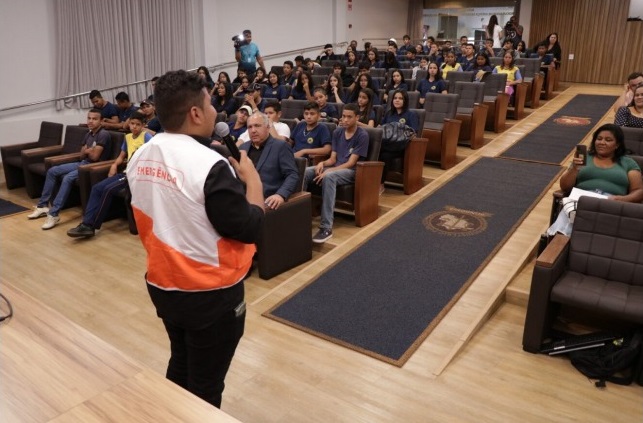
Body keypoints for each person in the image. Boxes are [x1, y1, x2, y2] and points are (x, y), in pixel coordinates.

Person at [126, 69, 264, 409]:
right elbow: (249, 227)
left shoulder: (141, 154)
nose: (216, 110)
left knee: (181, 362)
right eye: (210, 102)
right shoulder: (210, 165)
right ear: (195, 113)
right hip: (210, 293)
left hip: (163, 284)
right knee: (206, 386)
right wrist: (253, 180)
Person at [67, 112, 152, 238]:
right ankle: (85, 223)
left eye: (137, 125)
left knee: (107, 190)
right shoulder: (128, 137)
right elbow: (122, 156)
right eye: (132, 124)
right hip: (126, 172)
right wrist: (114, 165)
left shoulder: (147, 137)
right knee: (97, 188)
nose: (134, 127)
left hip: (137, 175)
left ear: (143, 125)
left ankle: (90, 226)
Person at [548, 124, 643, 236]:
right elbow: (565, 186)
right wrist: (574, 168)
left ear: (617, 144)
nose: (602, 142)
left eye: (608, 140)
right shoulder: (585, 158)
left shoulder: (628, 163)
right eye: (599, 139)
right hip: (581, 200)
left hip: (612, 203)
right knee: (565, 228)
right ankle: (558, 245)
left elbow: (638, 191)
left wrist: (621, 199)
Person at [28, 109, 112, 229]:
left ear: (101, 121)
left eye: (94, 119)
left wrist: (88, 151)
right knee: (52, 171)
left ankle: (54, 214)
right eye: (89, 118)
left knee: (67, 178)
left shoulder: (103, 134)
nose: (91, 121)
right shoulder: (88, 134)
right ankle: (42, 206)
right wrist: (87, 151)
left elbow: (94, 157)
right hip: (83, 162)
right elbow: (82, 155)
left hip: (93, 168)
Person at [303, 103, 369, 243]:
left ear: (357, 117)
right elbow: (333, 158)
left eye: (349, 117)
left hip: (351, 172)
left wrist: (330, 170)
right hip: (336, 168)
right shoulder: (338, 132)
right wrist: (322, 163)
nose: (344, 120)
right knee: (307, 171)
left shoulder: (362, 135)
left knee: (329, 177)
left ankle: (326, 227)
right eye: (343, 116)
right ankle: (299, 217)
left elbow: (351, 163)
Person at [239, 112, 299, 210]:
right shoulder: (243, 148)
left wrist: (280, 195)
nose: (253, 130)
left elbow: (292, 175)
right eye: (250, 127)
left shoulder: (281, 146)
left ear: (268, 127)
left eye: (257, 126)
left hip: (267, 201)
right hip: (243, 199)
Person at [379, 89, 420, 193]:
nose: (397, 100)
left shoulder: (411, 114)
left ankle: (381, 183)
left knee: (384, 155)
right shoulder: (389, 113)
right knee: (375, 151)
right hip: (387, 143)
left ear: (405, 100)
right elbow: (381, 128)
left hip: (401, 146)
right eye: (395, 98)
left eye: (400, 98)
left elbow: (414, 133)